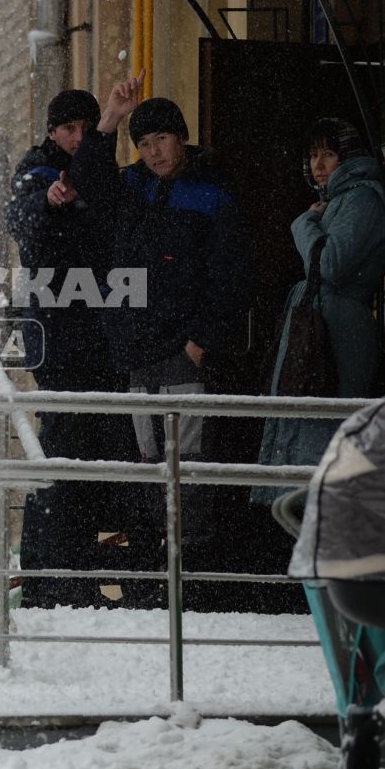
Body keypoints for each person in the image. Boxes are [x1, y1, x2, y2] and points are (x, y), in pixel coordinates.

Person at [70, 75, 254, 581]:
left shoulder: (211, 195)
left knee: (188, 464)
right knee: (148, 462)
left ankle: (192, 571)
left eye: (162, 140)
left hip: (183, 350)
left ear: (182, 137)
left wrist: (200, 341)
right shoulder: (132, 187)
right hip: (135, 352)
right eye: (144, 143)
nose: (153, 152)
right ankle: (156, 571)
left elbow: (232, 276)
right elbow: (88, 185)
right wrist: (109, 121)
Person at [5, 88, 140, 607]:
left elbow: (100, 201)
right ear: (52, 132)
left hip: (97, 336)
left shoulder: (91, 169)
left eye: (88, 129)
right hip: (62, 340)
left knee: (89, 460)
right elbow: (25, 223)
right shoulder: (38, 173)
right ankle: (53, 579)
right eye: (71, 131)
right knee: (64, 458)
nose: (80, 138)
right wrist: (48, 201)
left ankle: (67, 576)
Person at [255, 117, 385, 496]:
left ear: (347, 158)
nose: (318, 164)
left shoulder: (361, 198)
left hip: (339, 330)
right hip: (324, 321)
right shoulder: (338, 200)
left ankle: (316, 520)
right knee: (307, 429)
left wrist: (304, 225)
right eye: (313, 155)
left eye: (329, 154)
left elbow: (330, 265)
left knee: (323, 430)